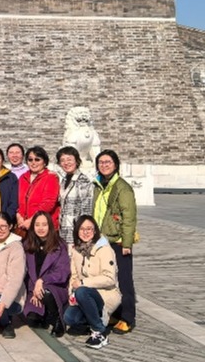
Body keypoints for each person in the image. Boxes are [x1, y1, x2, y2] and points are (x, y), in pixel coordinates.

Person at [93, 149, 137, 334]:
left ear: (116, 165)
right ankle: (115, 313)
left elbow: (129, 217)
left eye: (108, 162)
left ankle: (127, 318)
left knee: (124, 280)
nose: (104, 165)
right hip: (101, 240)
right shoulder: (98, 184)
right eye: (101, 162)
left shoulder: (122, 188)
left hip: (117, 240)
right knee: (108, 279)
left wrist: (127, 243)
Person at [64, 215, 121, 350]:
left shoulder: (104, 249)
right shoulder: (77, 250)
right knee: (69, 318)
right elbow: (74, 276)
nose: (85, 232)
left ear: (95, 231)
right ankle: (93, 321)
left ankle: (99, 331)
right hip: (84, 295)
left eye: (89, 229)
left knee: (82, 291)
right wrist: (71, 294)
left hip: (105, 295)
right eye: (82, 229)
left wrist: (84, 282)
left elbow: (110, 278)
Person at [22, 211, 69, 337]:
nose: (41, 228)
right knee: (32, 319)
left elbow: (62, 272)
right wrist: (34, 290)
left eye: (44, 224)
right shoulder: (28, 245)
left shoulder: (59, 245)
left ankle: (58, 319)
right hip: (34, 290)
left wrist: (42, 280)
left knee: (47, 292)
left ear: (50, 226)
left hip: (54, 287)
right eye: (37, 225)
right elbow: (26, 273)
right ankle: (44, 313)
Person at [17, 146, 60, 234]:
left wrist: (32, 220)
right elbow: (19, 200)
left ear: (44, 162)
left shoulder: (51, 177)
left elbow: (48, 203)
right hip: (24, 225)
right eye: (30, 160)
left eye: (37, 159)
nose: (33, 163)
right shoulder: (23, 178)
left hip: (43, 225)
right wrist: (19, 216)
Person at [56, 146, 94, 246]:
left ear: (77, 161)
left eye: (69, 159)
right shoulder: (64, 180)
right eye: (62, 160)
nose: (66, 163)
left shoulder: (83, 181)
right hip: (63, 231)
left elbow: (86, 210)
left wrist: (82, 233)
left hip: (76, 233)